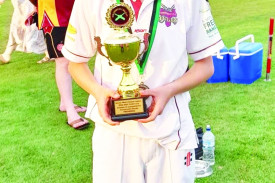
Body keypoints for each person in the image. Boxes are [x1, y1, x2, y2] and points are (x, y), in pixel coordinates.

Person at [63, 0, 224, 182]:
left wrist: (168, 91)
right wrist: (98, 92)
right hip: (113, 133)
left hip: (171, 128)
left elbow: (206, 66)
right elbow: (75, 63)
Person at [29, 0, 89, 130]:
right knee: (62, 61)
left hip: (76, 10)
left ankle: (65, 103)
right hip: (53, 13)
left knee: (76, 56)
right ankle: (71, 113)